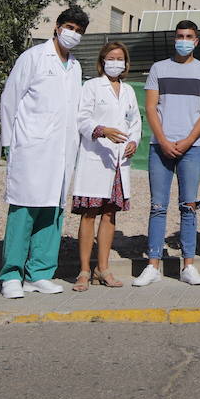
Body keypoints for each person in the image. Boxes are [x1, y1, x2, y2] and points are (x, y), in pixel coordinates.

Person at [0, 6, 88, 299]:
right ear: (57, 27)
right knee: (23, 209)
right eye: (69, 27)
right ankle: (12, 274)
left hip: (62, 151)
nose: (72, 34)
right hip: (30, 147)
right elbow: (10, 99)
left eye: (79, 30)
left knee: (53, 211)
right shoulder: (33, 58)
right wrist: (9, 143)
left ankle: (40, 273)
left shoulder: (75, 67)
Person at [133, 20, 200, 288]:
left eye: (189, 36)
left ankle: (188, 265)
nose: (184, 40)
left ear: (196, 41)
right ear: (175, 39)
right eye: (180, 36)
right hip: (160, 147)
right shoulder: (159, 68)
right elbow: (150, 107)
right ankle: (153, 264)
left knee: (189, 206)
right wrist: (163, 139)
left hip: (191, 148)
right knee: (158, 207)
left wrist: (188, 140)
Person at [72, 41, 142, 291]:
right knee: (89, 214)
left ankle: (103, 269)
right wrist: (103, 131)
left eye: (120, 58)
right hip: (96, 158)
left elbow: (135, 121)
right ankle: (83, 271)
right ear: (102, 61)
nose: (115, 62)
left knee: (110, 215)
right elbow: (81, 119)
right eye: (111, 57)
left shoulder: (129, 90)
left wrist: (134, 140)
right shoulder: (91, 86)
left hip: (119, 161)